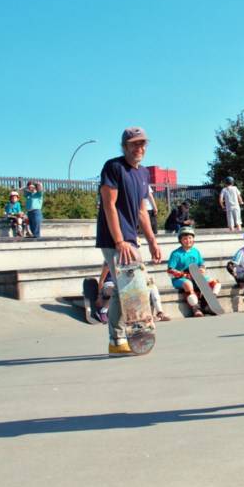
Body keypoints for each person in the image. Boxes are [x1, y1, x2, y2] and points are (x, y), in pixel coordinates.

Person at [95, 127, 163, 356]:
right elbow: (109, 204)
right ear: (124, 146)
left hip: (130, 240)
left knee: (123, 290)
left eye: (142, 143)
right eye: (134, 144)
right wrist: (120, 241)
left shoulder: (143, 173)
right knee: (131, 287)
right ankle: (116, 339)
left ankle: (117, 340)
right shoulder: (114, 167)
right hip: (114, 239)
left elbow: (142, 211)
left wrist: (153, 241)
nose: (139, 148)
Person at [166, 226, 222, 317]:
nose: (188, 240)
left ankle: (207, 304)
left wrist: (201, 270)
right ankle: (196, 307)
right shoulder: (176, 254)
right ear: (180, 240)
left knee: (215, 283)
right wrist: (184, 275)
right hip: (180, 279)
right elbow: (170, 270)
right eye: (185, 239)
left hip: (196, 277)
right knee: (188, 284)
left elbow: (202, 264)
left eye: (190, 238)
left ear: (193, 239)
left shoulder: (196, 251)